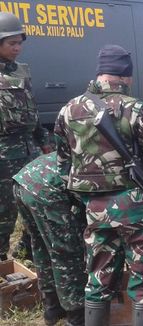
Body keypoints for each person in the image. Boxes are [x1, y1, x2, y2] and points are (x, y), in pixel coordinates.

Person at [54, 44, 143, 326]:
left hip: (94, 207)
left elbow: (63, 162)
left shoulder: (69, 109)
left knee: (98, 275)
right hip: (135, 207)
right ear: (126, 77)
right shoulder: (134, 108)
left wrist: (85, 198)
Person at [0, 12, 52, 261]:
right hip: (3, 156)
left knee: (34, 207)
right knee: (4, 213)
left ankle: (25, 256)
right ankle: (1, 262)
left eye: (20, 42)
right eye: (12, 43)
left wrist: (45, 144)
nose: (18, 48)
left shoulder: (22, 71)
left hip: (28, 152)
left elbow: (33, 111)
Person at [13, 152, 86, 326]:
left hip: (23, 181)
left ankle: (52, 308)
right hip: (46, 189)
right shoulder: (112, 170)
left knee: (41, 245)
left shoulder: (92, 152)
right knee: (67, 251)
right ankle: (76, 314)